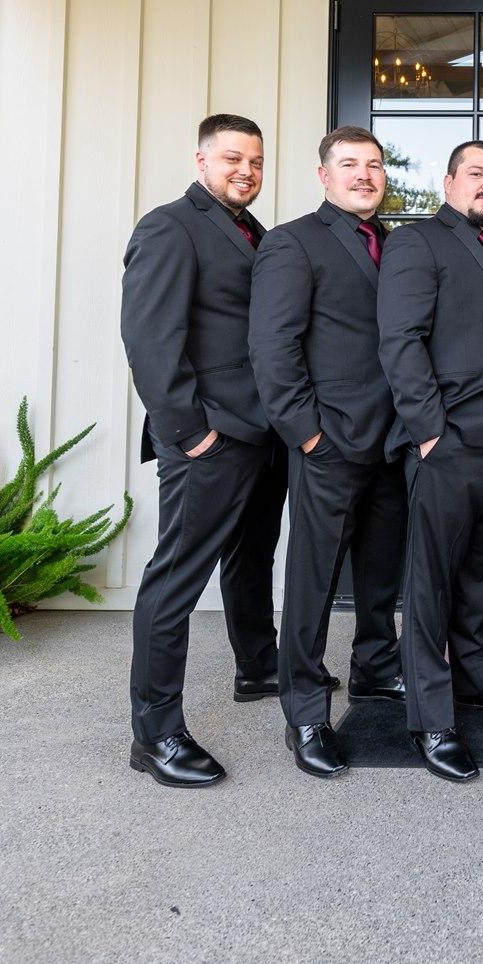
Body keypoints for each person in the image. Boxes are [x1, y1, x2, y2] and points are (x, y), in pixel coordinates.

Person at [121, 113, 283, 788]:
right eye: (232, 159)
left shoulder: (254, 232)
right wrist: (191, 433)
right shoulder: (170, 227)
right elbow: (149, 340)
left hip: (263, 432)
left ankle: (259, 666)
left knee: (251, 558)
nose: (246, 171)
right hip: (208, 435)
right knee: (177, 578)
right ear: (201, 160)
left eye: (256, 161)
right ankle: (156, 734)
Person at [376, 140, 483, 782]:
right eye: (477, 173)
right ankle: (432, 720)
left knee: (481, 575)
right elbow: (401, 339)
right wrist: (429, 433)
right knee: (430, 586)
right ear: (449, 182)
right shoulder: (417, 243)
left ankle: (478, 679)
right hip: (445, 443)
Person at [249, 126, 408, 780]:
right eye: (349, 164)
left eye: (374, 165)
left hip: (394, 442)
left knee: (381, 572)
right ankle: (306, 712)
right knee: (313, 584)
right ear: (324, 175)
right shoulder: (293, 242)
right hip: (329, 443)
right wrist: (307, 433)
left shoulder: (398, 246)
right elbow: (273, 345)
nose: (364, 175)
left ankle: (376, 667)